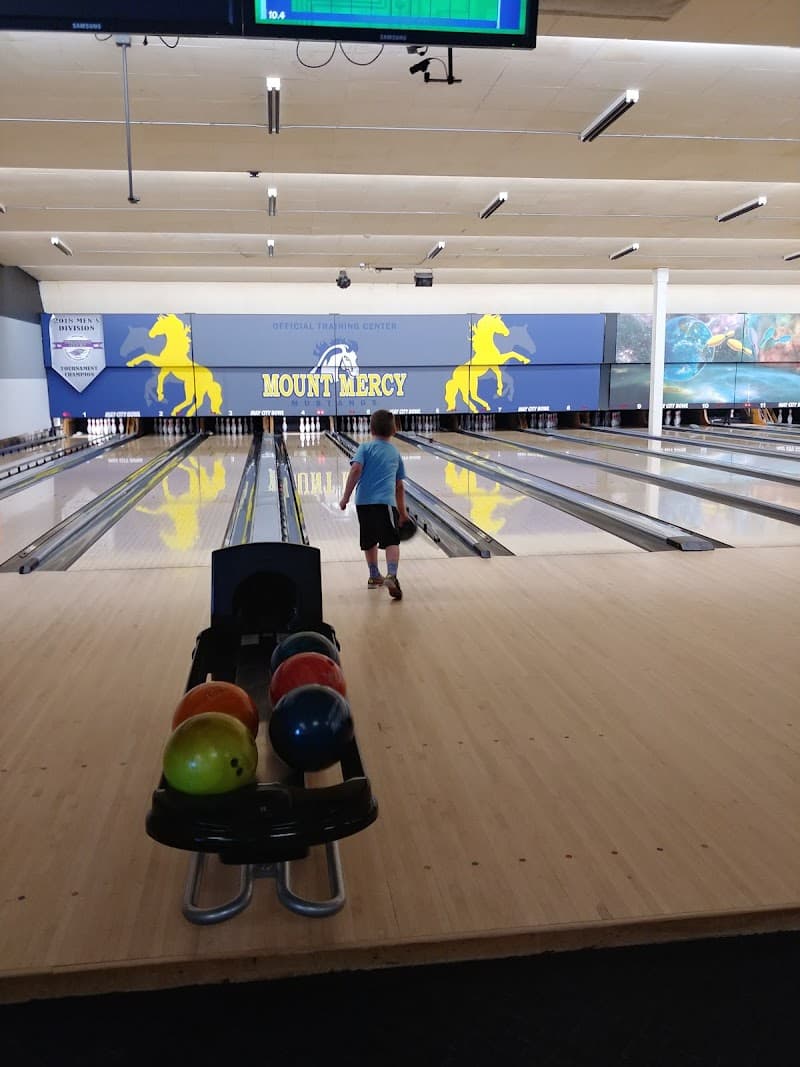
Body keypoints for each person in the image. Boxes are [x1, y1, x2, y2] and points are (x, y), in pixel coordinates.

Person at [339, 409, 408, 600]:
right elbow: (399, 486)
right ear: (394, 429)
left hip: (363, 504)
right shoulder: (395, 452)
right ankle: (392, 575)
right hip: (385, 503)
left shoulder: (364, 448)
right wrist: (402, 513)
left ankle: (374, 575)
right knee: (392, 540)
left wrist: (345, 497)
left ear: (370, 429)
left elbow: (355, 470)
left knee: (369, 539)